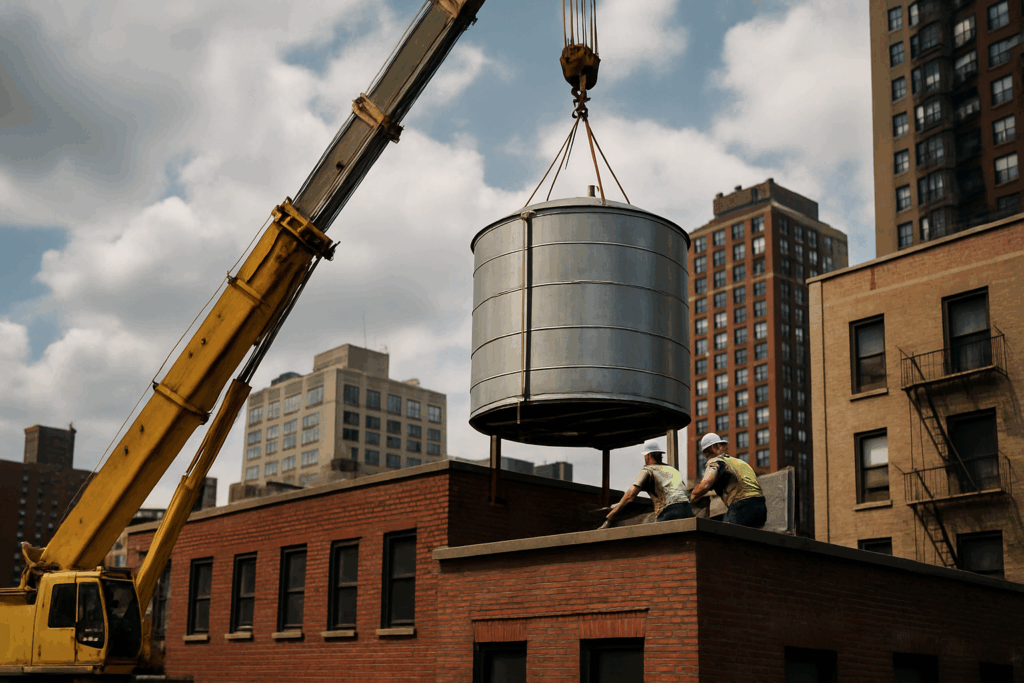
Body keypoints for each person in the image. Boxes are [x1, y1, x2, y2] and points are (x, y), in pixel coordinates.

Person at [598, 440, 692, 529]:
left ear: (648, 456)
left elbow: (629, 496)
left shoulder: (647, 471)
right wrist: (618, 504)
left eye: (645, 456)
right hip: (687, 509)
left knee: (659, 543)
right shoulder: (673, 470)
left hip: (669, 512)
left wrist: (610, 516)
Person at [689, 433, 768, 528]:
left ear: (713, 447)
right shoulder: (740, 462)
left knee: (725, 538)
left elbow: (706, 484)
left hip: (741, 506)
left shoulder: (715, 461)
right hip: (761, 507)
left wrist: (692, 497)